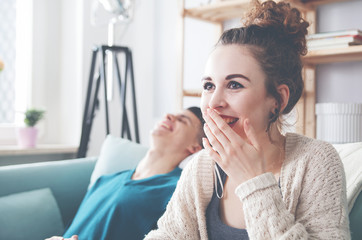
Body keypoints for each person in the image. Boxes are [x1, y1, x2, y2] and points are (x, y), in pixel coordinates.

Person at [145, 1, 350, 239]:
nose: (213, 103)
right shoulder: (201, 166)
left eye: (234, 85)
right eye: (209, 85)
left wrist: (254, 181)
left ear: (277, 100)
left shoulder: (316, 161)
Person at [46, 107, 205, 240]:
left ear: (196, 147)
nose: (168, 116)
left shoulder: (178, 191)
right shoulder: (105, 180)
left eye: (183, 120)